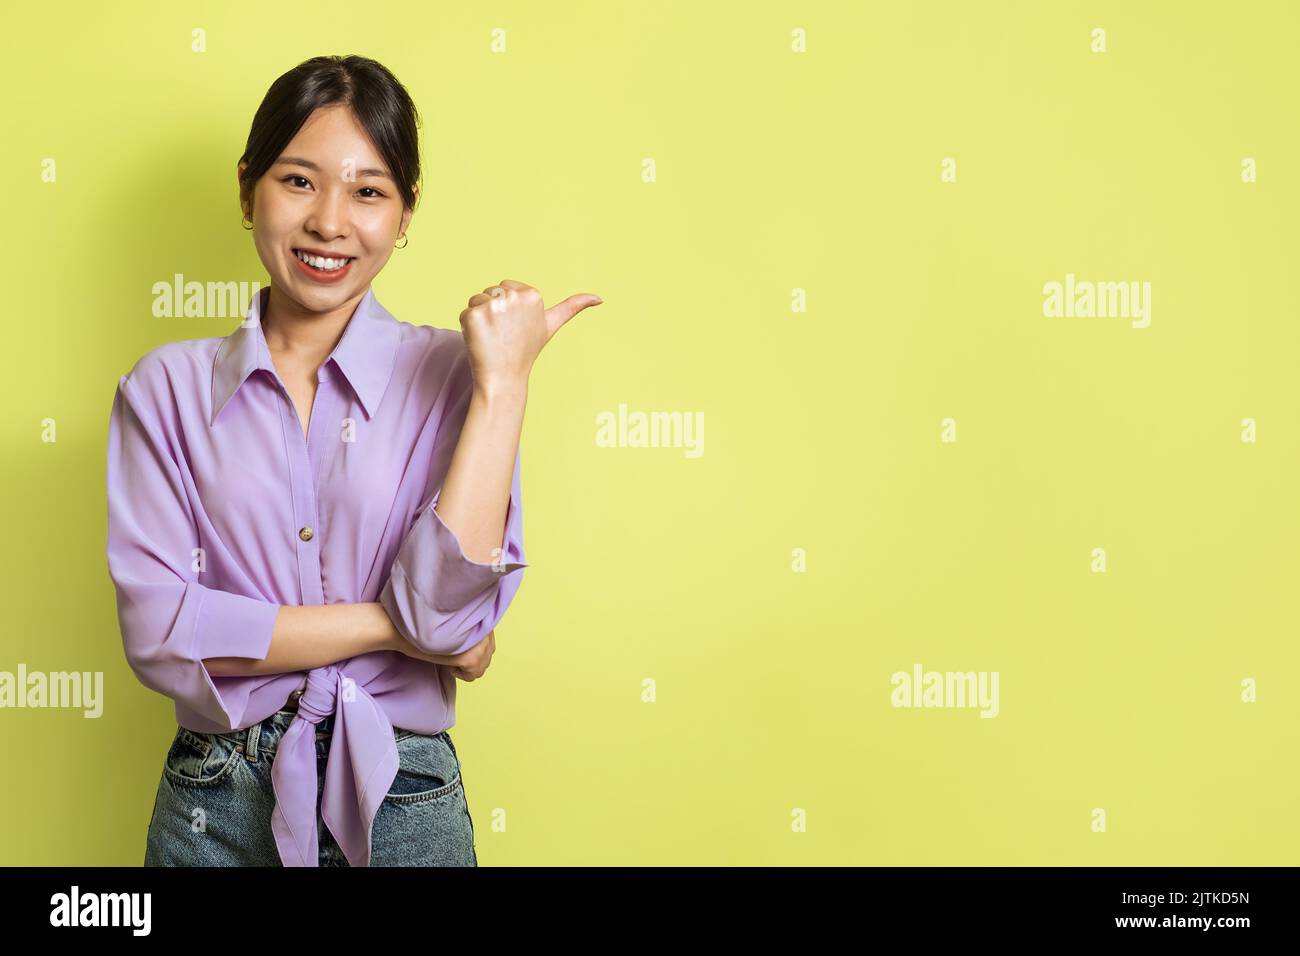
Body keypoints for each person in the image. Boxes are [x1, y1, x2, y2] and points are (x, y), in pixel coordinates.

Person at [105, 54, 602, 866]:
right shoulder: (164, 390)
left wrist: (506, 386)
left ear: (406, 213)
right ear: (246, 190)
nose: (330, 222)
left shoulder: (458, 377)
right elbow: (162, 634)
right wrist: (401, 631)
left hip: (402, 791)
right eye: (298, 181)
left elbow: (445, 617)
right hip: (215, 801)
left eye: (368, 191)